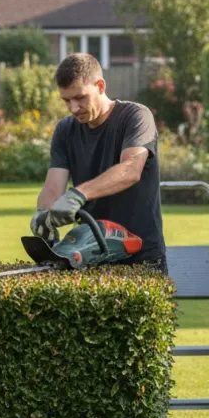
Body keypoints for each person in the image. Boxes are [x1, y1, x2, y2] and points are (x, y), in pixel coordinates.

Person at [33, 53, 165, 271]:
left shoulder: (135, 117)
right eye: (66, 100)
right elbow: (54, 186)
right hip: (91, 255)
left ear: (100, 86)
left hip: (141, 256)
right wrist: (44, 214)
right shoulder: (66, 130)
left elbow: (131, 169)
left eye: (80, 98)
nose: (74, 108)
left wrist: (78, 194)